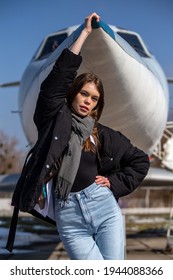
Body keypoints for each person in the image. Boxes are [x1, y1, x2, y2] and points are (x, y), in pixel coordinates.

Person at [7, 13, 150, 259]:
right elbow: (55, 84)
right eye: (84, 94)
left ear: (97, 105)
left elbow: (140, 161)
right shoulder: (52, 120)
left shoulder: (101, 134)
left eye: (94, 99)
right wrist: (83, 34)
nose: (88, 101)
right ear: (73, 93)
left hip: (103, 206)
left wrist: (113, 183)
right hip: (68, 214)